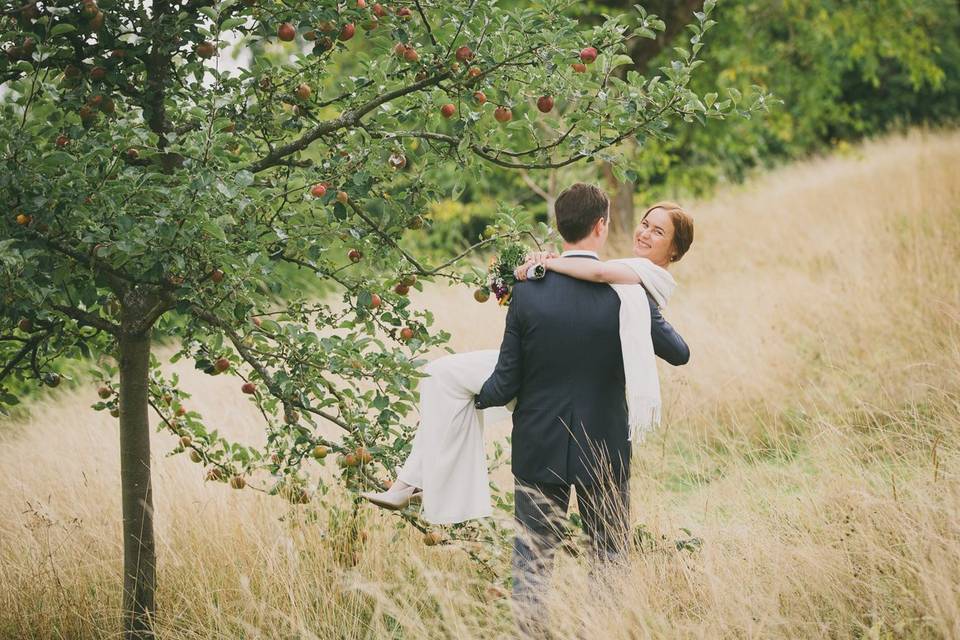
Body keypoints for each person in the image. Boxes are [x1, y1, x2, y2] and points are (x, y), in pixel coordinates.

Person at [360, 187, 693, 536]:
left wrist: (547, 266)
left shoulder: (632, 287)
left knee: (444, 380)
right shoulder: (624, 282)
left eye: (658, 231)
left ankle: (413, 484)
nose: (644, 233)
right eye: (645, 224)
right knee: (442, 379)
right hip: (595, 435)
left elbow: (672, 346)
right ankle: (411, 482)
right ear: (601, 226)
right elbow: (598, 278)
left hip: (541, 423)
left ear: (675, 250)